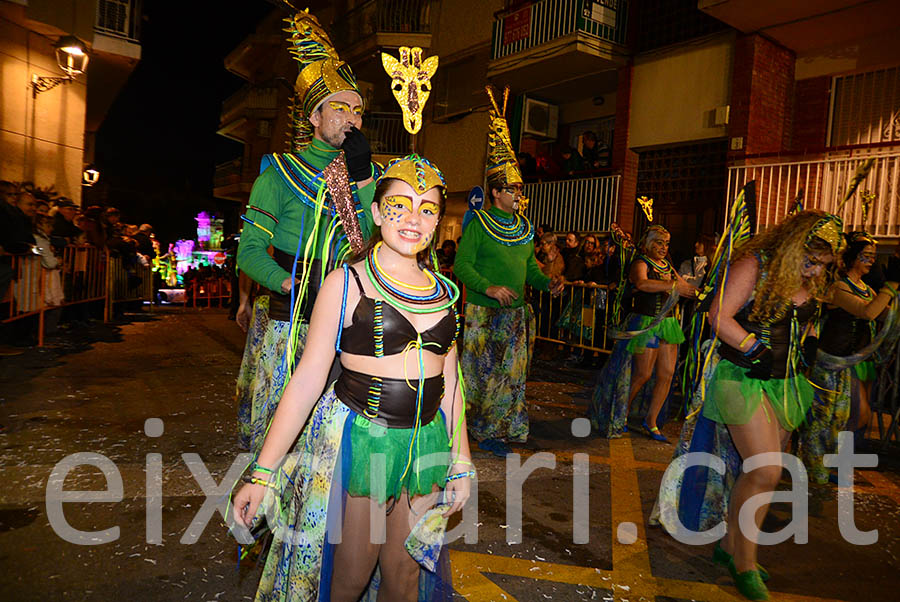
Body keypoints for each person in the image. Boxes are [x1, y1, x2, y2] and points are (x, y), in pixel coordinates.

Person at [232, 154, 469, 601]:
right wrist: (261, 474)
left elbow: (452, 386)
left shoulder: (444, 292)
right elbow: (306, 381)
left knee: (406, 577)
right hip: (364, 443)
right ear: (377, 212)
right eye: (399, 205)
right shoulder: (346, 284)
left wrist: (461, 460)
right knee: (350, 577)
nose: (413, 219)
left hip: (428, 443)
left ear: (438, 221)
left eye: (428, 208)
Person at [659, 210, 844, 601]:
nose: (813, 272)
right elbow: (718, 316)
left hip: (787, 384)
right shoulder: (754, 265)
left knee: (763, 474)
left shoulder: (810, 277)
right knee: (766, 470)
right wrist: (753, 347)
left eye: (821, 266)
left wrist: (809, 340)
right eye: (809, 261)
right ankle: (745, 564)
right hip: (745, 379)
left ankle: (730, 548)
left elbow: (805, 323)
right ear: (795, 246)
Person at [236, 10, 381, 454]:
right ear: (314, 116)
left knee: (324, 429)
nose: (352, 117)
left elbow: (365, 242)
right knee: (277, 420)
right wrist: (291, 283)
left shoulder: (362, 175)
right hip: (288, 316)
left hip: (340, 322)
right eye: (341, 107)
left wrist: (362, 179)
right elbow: (249, 252)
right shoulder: (279, 173)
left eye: (358, 109)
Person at [453, 86, 562, 457]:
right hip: (483, 315)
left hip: (516, 316)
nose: (519, 194)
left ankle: (500, 431)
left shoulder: (525, 227)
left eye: (519, 188)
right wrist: (491, 287)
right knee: (480, 378)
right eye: (513, 188)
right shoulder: (479, 224)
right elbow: (462, 266)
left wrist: (548, 283)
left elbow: (530, 268)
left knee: (511, 377)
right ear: (496, 192)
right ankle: (473, 430)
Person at [800, 231, 899, 483]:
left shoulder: (866, 288)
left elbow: (885, 315)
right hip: (830, 362)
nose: (870, 261)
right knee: (829, 416)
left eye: (873, 258)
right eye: (866, 256)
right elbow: (868, 312)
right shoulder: (838, 286)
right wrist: (891, 286)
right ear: (853, 257)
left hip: (854, 363)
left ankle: (834, 464)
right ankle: (818, 467)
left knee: (853, 415)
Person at [589, 225, 696, 440]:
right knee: (643, 374)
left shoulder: (667, 265)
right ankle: (622, 412)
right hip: (646, 323)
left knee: (667, 375)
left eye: (666, 243)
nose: (663, 247)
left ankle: (651, 421)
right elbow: (642, 283)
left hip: (668, 325)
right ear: (649, 243)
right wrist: (672, 285)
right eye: (659, 242)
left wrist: (706, 293)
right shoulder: (640, 262)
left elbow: (684, 286)